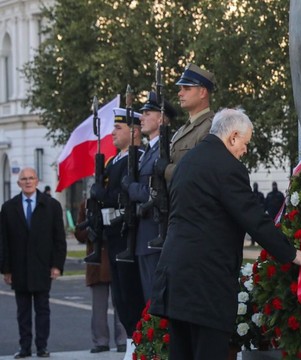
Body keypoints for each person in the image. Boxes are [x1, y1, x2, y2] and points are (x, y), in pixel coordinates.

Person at [150, 109, 301, 360]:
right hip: (206, 283)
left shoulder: (187, 161)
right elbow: (253, 219)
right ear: (233, 137)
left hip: (176, 278)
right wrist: (293, 254)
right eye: (246, 143)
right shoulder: (227, 167)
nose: (245, 150)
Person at [91, 108, 146, 358]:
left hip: (127, 234)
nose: (112, 133)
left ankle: (138, 343)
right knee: (120, 299)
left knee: (131, 295)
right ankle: (133, 343)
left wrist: (102, 195)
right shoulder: (113, 160)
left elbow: (125, 196)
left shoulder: (137, 157)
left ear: (134, 132)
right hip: (112, 236)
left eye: (118, 128)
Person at [1, 168, 66, 358]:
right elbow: (3, 240)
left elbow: (59, 239)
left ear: (37, 181)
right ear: (18, 182)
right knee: (23, 312)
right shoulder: (8, 208)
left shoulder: (51, 205)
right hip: (18, 267)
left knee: (42, 309)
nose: (28, 182)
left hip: (43, 266)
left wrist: (56, 265)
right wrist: (5, 269)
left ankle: (42, 347)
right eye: (24, 179)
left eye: (31, 178)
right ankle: (25, 347)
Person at [125, 91, 177, 300]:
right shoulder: (148, 151)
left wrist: (132, 188)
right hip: (144, 234)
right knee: (149, 300)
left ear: (162, 118)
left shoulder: (165, 150)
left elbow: (158, 192)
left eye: (147, 113)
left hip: (157, 232)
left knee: (158, 299)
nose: (141, 118)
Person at [74, 198, 127, 353]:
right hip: (97, 264)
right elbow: (79, 232)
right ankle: (100, 341)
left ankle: (122, 339)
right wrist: (90, 231)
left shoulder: (119, 200)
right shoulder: (86, 204)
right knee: (98, 307)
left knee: (121, 304)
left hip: (115, 258)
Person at [161, 63, 216, 182]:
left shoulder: (211, 127)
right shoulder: (181, 130)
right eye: (180, 89)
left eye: (186, 88)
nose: (180, 93)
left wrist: (166, 169)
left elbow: (200, 172)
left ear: (202, 92)